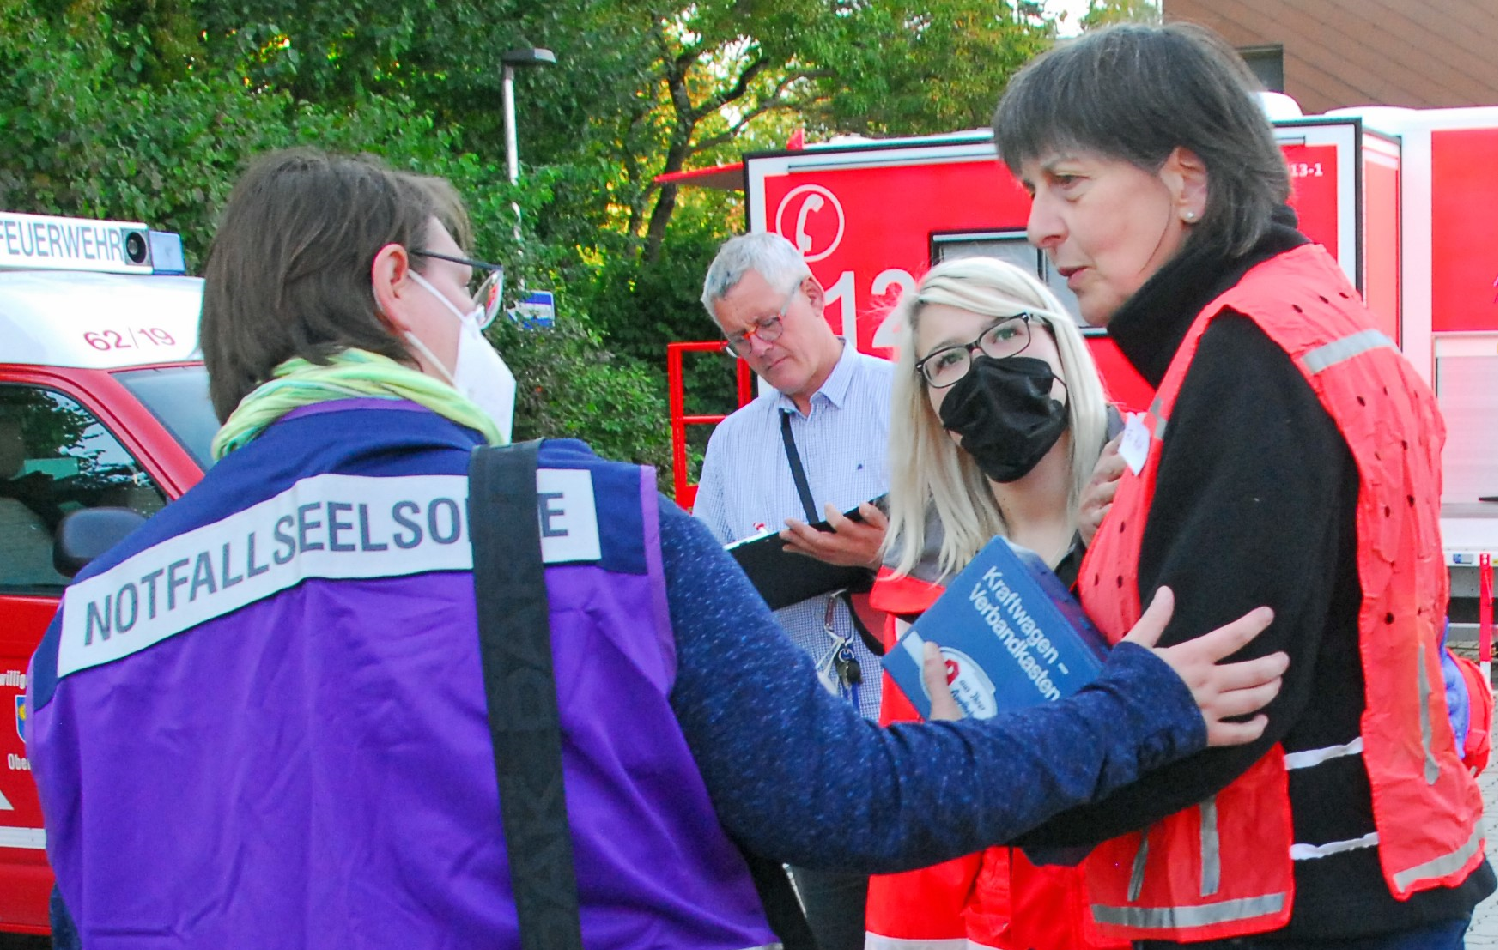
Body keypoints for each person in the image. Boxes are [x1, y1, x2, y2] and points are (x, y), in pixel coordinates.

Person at [26, 148, 1287, 950]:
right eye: (469, 282)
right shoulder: (581, 521)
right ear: (396, 280)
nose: (478, 315)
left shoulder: (94, 626)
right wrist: (1137, 706)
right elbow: (843, 798)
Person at [989, 22, 1495, 948]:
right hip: (1379, 882)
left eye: (1068, 182)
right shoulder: (1298, 317)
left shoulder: (1245, 357)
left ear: (1186, 180)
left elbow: (1220, 681)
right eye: (1031, 189)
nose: (1038, 225)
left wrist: (1007, 796)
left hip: (1296, 907)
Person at [865, 256, 1125, 950]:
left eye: (1004, 336)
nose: (982, 372)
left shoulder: (1156, 502)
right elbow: (918, 842)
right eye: (948, 359)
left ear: (1055, 338)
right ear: (929, 408)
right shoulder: (924, 588)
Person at [693, 232, 892, 948]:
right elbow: (704, 592)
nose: (760, 349)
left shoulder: (909, 397)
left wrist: (885, 553)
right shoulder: (732, 444)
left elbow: (996, 550)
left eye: (767, 322)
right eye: (739, 340)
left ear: (813, 294)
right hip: (812, 749)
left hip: (921, 730)